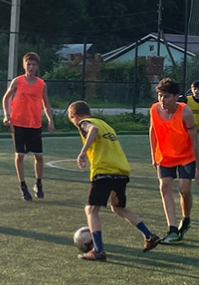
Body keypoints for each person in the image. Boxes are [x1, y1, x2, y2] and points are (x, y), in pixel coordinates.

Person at [68, 100, 161, 261]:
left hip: (104, 170)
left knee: (91, 210)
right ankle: (149, 235)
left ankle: (98, 251)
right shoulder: (105, 124)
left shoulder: (84, 123)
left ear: (73, 116)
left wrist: (82, 153)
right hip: (121, 170)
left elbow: (93, 130)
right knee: (118, 208)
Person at [150, 77, 199, 244]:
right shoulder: (154, 109)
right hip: (165, 156)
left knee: (184, 190)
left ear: (176, 97)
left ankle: (186, 219)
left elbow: (194, 141)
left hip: (186, 156)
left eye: (166, 96)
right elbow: (152, 131)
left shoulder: (185, 112)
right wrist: (153, 155)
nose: (162, 99)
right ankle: (173, 229)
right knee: (164, 187)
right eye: (160, 95)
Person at [2, 52, 55, 201]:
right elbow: (6, 98)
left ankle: (38, 183)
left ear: (37, 67)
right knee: (19, 155)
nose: (31, 67)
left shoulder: (41, 84)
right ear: (24, 66)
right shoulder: (17, 81)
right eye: (28, 64)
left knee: (38, 156)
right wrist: (6, 115)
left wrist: (50, 120)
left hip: (35, 123)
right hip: (18, 122)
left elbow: (46, 104)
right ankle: (23, 186)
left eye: (33, 64)